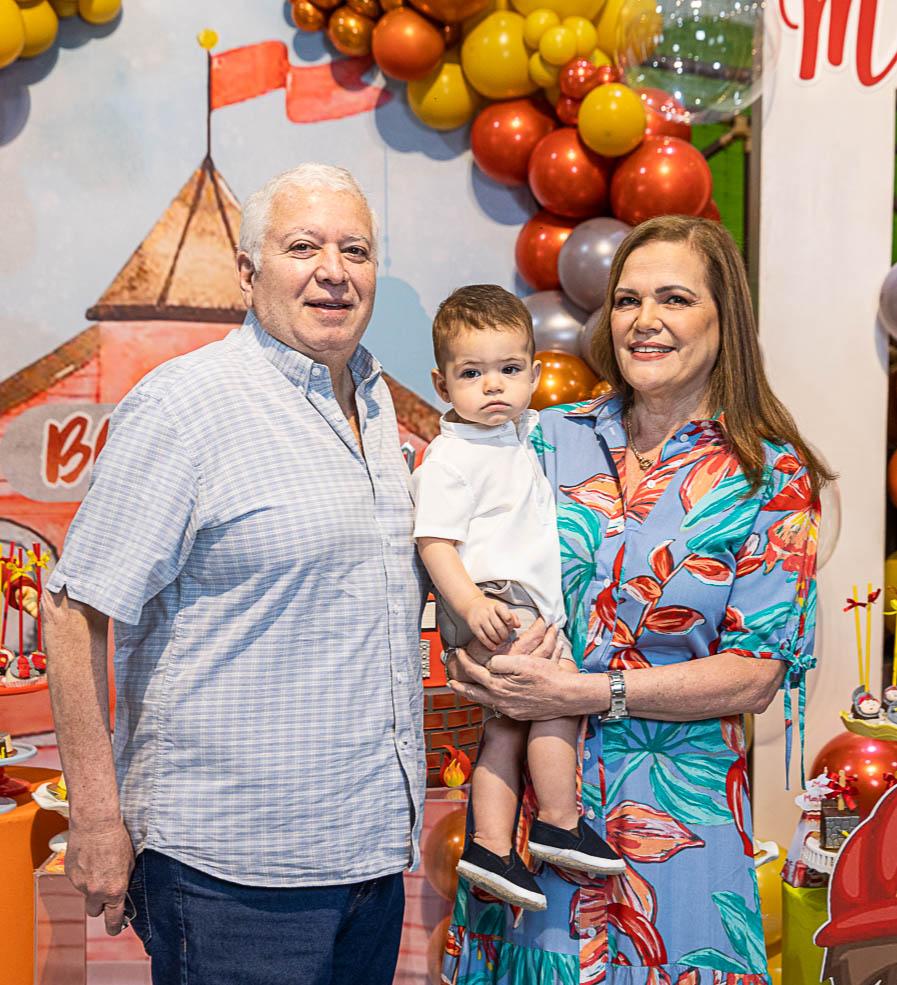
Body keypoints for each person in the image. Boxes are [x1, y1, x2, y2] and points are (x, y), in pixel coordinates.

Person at [43, 164, 427, 985]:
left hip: (368, 858)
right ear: (248, 274)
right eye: (304, 247)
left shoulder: (375, 401)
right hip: (230, 872)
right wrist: (97, 817)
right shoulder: (186, 405)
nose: (334, 270)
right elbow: (73, 612)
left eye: (356, 250)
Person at [441, 215, 829, 983]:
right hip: (532, 831)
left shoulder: (769, 477)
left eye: (673, 298)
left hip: (678, 833)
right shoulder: (540, 438)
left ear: (724, 318)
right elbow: (456, 548)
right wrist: (471, 647)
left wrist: (585, 692)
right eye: (626, 299)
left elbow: (754, 675)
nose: (644, 319)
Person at [411, 286, 624, 911]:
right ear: (442, 385)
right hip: (495, 601)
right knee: (557, 698)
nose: (493, 386)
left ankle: (490, 846)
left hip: (511, 600)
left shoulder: (519, 432)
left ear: (533, 375)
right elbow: (435, 542)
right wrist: (471, 605)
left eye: (509, 370)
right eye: (471, 374)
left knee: (505, 723)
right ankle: (559, 821)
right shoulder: (452, 455)